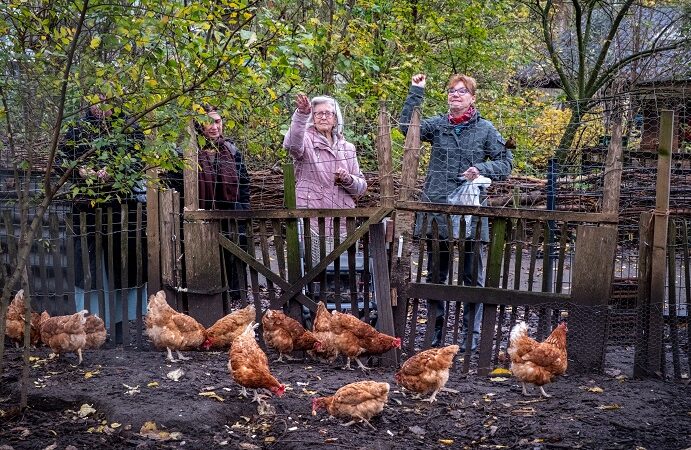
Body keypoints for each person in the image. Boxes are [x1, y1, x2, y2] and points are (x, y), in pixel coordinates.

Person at [399, 73, 513, 350]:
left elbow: (506, 163)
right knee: (436, 274)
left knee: (472, 275)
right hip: (436, 207)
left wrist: (481, 170)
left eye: (462, 91)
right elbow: (406, 127)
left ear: (472, 97)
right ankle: (434, 336)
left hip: (471, 211)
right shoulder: (437, 126)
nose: (455, 95)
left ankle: (470, 338)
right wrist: (416, 90)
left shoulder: (485, 129)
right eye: (451, 91)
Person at [57, 93, 146, 340]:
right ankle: (91, 326)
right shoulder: (78, 129)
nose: (101, 106)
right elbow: (61, 160)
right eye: (96, 100)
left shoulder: (129, 127)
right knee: (90, 270)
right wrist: (80, 170)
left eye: (107, 100)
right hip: (85, 211)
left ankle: (119, 328)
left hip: (121, 211)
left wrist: (116, 170)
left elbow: (139, 160)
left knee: (120, 269)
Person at [282, 94, 367, 260]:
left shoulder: (348, 148)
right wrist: (301, 114)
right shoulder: (305, 140)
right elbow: (291, 145)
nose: (323, 117)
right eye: (318, 113)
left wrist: (348, 179)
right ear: (312, 117)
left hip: (342, 222)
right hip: (310, 220)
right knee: (310, 270)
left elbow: (361, 187)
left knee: (341, 272)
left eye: (328, 113)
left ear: (335, 119)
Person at [193, 105, 251, 302]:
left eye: (217, 121)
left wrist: (243, 213)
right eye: (208, 122)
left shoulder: (231, 151)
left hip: (231, 213)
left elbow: (244, 185)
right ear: (199, 125)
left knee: (235, 255)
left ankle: (236, 295)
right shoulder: (190, 153)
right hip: (203, 213)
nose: (214, 127)